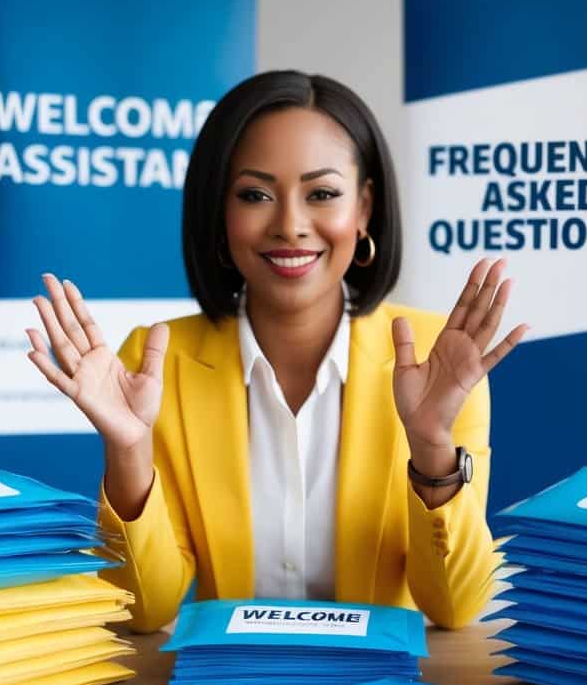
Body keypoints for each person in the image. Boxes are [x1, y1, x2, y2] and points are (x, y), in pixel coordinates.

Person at [26, 71, 528, 634]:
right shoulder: (158, 358)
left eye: (322, 193)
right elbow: (145, 612)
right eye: (255, 195)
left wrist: (433, 447)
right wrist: (129, 452)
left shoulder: (437, 359)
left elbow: (456, 608)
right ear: (220, 211)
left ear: (364, 208)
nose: (290, 225)